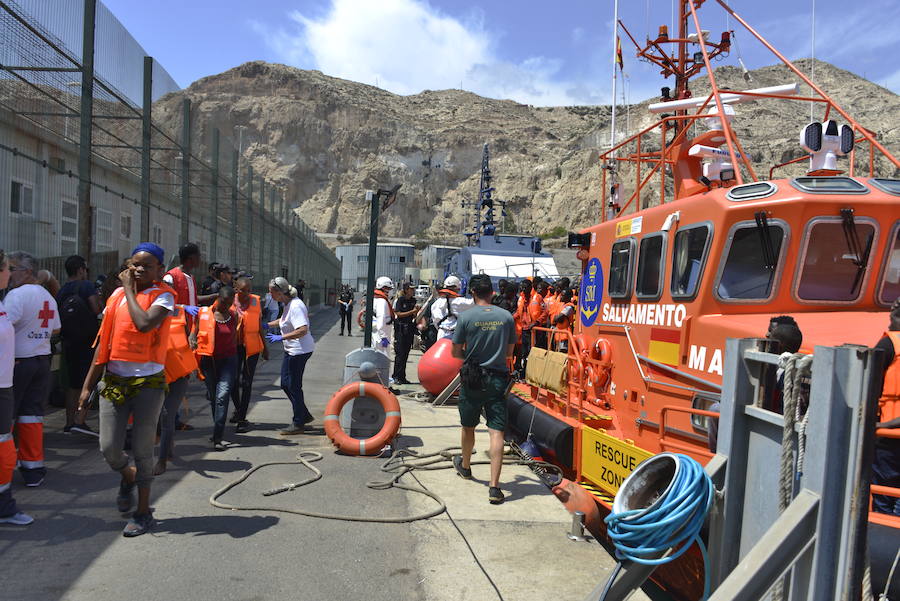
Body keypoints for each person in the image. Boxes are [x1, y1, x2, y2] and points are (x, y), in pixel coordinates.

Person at [77, 243, 175, 537]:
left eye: (147, 265)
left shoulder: (164, 297)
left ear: (160, 270)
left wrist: (130, 290)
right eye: (135, 264)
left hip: (148, 385)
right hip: (114, 382)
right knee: (108, 448)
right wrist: (86, 386)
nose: (139, 270)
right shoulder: (117, 296)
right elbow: (103, 343)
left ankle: (143, 512)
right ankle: (127, 475)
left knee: (144, 450)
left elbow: (144, 324)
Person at [450, 274, 517, 505]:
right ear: (492, 292)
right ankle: (495, 487)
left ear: (472, 293)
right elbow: (509, 353)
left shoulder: (466, 317)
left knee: (468, 426)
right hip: (497, 379)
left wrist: (469, 356)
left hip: (473, 379)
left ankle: (466, 466)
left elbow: (455, 352)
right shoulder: (506, 317)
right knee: (496, 432)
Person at [5, 251, 61, 487]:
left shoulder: (17, 296)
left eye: (13, 269)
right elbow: (56, 329)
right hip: (41, 361)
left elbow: (4, 326)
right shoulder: (47, 296)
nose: (9, 274)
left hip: (18, 363)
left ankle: (3, 470)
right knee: (32, 415)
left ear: (27, 271)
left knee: (5, 418)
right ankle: (33, 469)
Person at [0, 250, 34, 525]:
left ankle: (4, 504)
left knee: (4, 447)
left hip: (5, 385)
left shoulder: (5, 302)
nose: (10, 273)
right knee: (4, 448)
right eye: (7, 268)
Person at [57, 254, 102, 436]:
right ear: (81, 270)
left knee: (73, 384)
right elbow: (96, 309)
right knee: (89, 381)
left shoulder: (62, 290)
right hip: (87, 341)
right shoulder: (87, 285)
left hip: (68, 341)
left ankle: (69, 423)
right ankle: (80, 420)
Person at [191, 286, 239, 450]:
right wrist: (192, 340)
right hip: (208, 361)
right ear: (218, 298)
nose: (227, 306)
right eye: (225, 302)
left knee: (222, 396)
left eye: (230, 303)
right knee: (213, 397)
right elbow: (194, 331)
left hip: (228, 360)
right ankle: (217, 431)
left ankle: (218, 437)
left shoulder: (233, 315)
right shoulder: (204, 313)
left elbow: (234, 336)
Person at [266, 277, 316, 435]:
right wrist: (267, 325)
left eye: (271, 291)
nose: (269, 294)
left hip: (300, 351)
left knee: (293, 385)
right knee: (285, 384)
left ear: (280, 292)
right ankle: (303, 415)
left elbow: (302, 329)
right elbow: (284, 320)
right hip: (292, 350)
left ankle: (298, 422)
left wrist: (281, 337)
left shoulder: (295, 306)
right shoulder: (288, 303)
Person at [154, 302, 198, 475]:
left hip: (179, 375)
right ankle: (168, 448)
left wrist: (192, 338)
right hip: (157, 375)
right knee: (158, 417)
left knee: (167, 415)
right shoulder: (148, 315)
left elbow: (188, 338)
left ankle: (162, 460)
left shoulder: (179, 313)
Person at [872, 299, 900, 515]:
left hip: (888, 438)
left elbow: (866, 386)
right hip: (889, 432)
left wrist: (880, 424)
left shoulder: (888, 345)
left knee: (883, 498)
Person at [230, 277, 268, 433]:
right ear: (236, 289)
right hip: (233, 348)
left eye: (249, 290)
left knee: (246, 383)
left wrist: (265, 347)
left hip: (251, 349)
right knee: (232, 382)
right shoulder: (228, 301)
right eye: (242, 290)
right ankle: (239, 411)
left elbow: (258, 326)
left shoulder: (255, 302)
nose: (246, 293)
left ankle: (241, 418)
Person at [392, 282, 419, 385]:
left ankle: (402, 377)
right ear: (406, 290)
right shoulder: (400, 300)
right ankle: (396, 376)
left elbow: (413, 316)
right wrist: (412, 311)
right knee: (400, 354)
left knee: (406, 354)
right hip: (401, 329)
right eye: (411, 289)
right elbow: (398, 314)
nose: (413, 291)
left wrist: (416, 312)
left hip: (409, 329)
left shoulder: (413, 301)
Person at [431, 275, 474, 340]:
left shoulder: (435, 304)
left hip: (441, 333)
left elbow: (435, 322)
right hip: (456, 334)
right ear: (458, 288)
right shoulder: (460, 302)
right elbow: (476, 303)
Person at [372, 276, 395, 359]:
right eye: (389, 288)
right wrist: (383, 337)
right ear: (384, 288)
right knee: (382, 361)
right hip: (381, 337)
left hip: (377, 333)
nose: (390, 291)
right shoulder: (382, 301)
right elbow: (381, 319)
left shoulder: (376, 299)